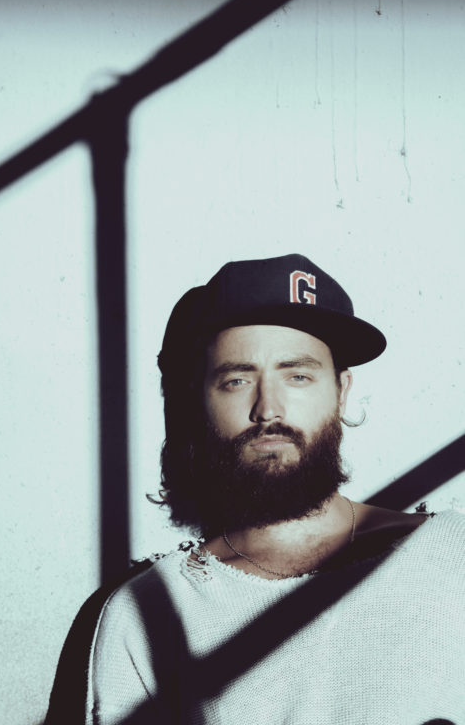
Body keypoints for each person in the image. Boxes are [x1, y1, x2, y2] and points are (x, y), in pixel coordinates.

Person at [69, 254, 464, 724]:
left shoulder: (451, 554)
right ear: (200, 402)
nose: (268, 408)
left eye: (297, 375)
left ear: (340, 391)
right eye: (237, 380)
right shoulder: (148, 611)